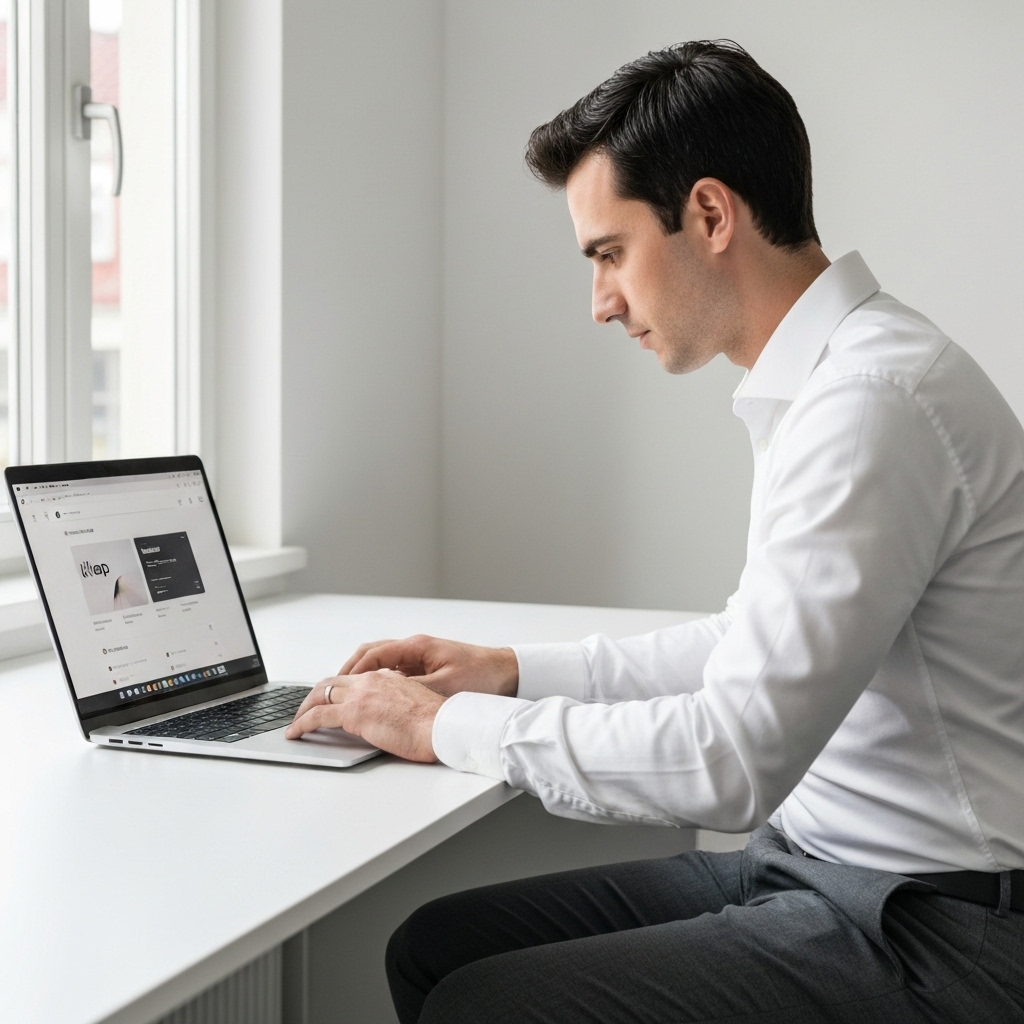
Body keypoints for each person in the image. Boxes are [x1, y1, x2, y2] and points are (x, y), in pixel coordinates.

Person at [286, 40, 1024, 1023]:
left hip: (937, 929)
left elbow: (733, 756)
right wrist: (508, 669)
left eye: (608, 254)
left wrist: (437, 724)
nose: (598, 303)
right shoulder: (834, 379)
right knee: (436, 947)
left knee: (486, 1002)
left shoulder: (873, 402)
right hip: (821, 867)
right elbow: (747, 648)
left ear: (711, 215)